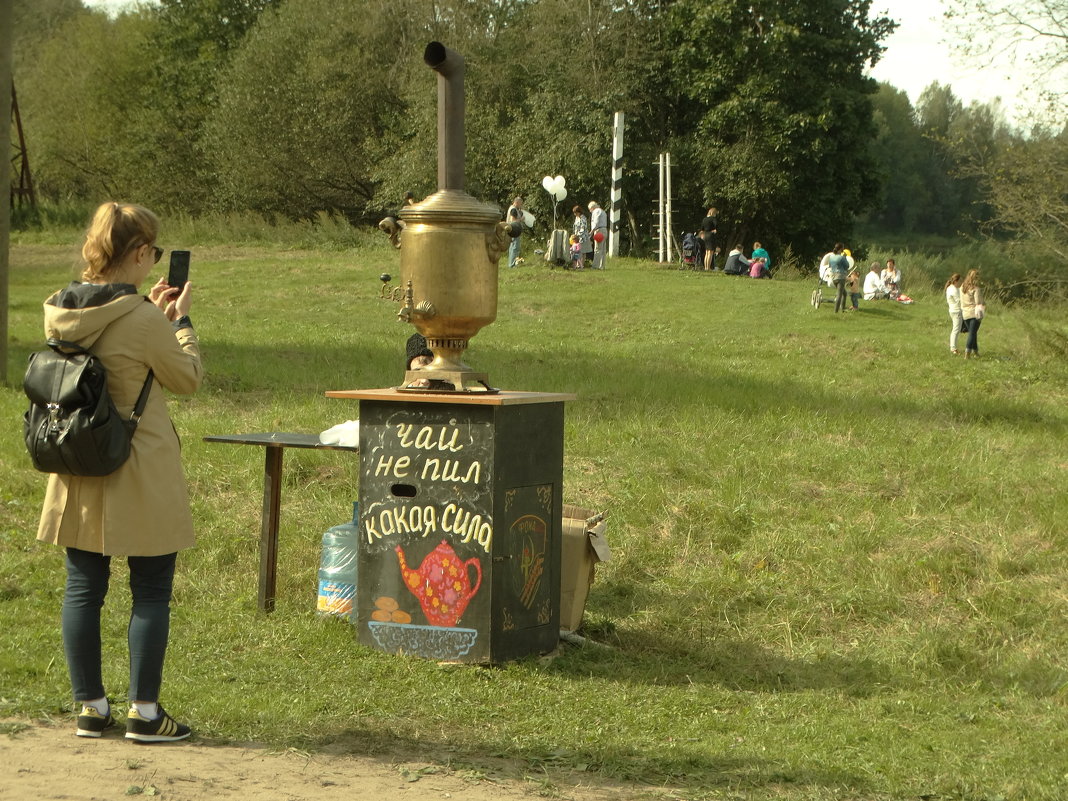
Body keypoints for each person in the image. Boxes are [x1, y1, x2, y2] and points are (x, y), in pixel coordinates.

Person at [37, 202, 202, 742]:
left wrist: (148, 311)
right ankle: (146, 714)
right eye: (152, 252)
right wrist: (179, 324)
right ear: (137, 253)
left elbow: (114, 329)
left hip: (79, 460)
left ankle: (90, 707)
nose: (154, 259)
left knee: (83, 587)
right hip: (139, 466)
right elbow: (187, 379)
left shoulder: (62, 307)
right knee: (151, 590)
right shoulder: (145, 319)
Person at [960, 269, 985, 359]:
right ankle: (967, 353)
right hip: (974, 313)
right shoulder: (976, 289)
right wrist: (983, 302)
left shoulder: (962, 287)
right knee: (972, 333)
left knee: (972, 332)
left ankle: (975, 351)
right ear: (976, 278)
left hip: (965, 313)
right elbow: (978, 301)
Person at [944, 273, 963, 354]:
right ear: (956, 281)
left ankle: (953, 347)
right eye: (960, 281)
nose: (961, 282)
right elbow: (959, 301)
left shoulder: (952, 288)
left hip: (953, 310)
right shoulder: (953, 289)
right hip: (956, 311)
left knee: (956, 329)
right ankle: (953, 348)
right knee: (956, 330)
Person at [829, 243, 850, 313]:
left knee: (844, 293)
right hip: (840, 277)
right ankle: (836, 311)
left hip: (833, 277)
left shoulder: (831, 257)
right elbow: (847, 266)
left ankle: (843, 309)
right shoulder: (842, 257)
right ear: (841, 249)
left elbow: (830, 265)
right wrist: (845, 257)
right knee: (839, 295)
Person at [588, 201, 608, 270]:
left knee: (597, 249)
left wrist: (592, 231)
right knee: (603, 249)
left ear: (592, 208)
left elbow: (596, 222)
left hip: (599, 231)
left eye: (590, 209)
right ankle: (602, 265)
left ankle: (595, 266)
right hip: (604, 230)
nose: (590, 211)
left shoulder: (596, 211)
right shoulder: (602, 211)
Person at [506, 196, 524, 268]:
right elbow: (513, 221)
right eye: (520, 204)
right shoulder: (513, 210)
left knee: (512, 247)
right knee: (515, 247)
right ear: (516, 202)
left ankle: (511, 263)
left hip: (511, 230)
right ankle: (512, 264)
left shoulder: (513, 209)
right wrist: (521, 219)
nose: (520, 205)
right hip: (514, 230)